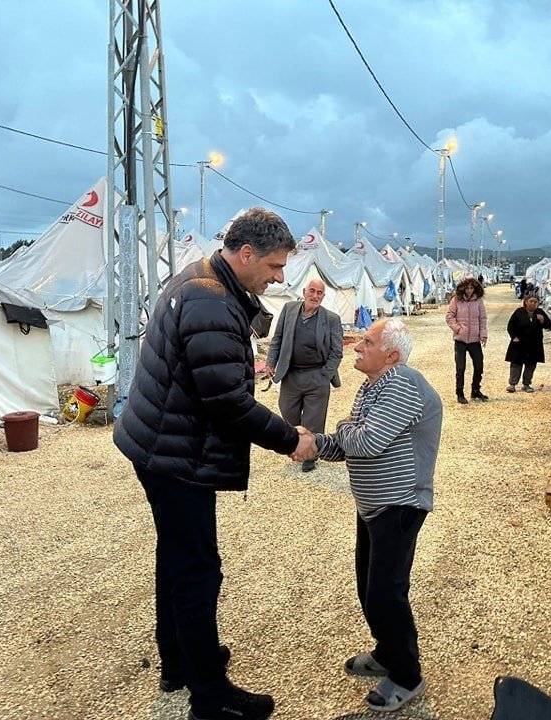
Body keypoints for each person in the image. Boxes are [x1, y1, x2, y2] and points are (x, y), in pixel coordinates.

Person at [113, 207, 315, 720]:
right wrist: (290, 438)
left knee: (177, 557)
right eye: (273, 267)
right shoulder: (211, 299)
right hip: (175, 454)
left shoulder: (203, 277)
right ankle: (208, 695)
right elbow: (226, 401)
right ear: (245, 254)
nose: (279, 277)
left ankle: (177, 662)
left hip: (160, 442)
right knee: (199, 569)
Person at [293, 318, 442, 713]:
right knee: (368, 586)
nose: (357, 345)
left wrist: (340, 430)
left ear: (391, 355)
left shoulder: (403, 383)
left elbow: (368, 440)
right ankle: (387, 652)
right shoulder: (373, 386)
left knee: (385, 592)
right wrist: (313, 444)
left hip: (400, 504)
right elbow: (348, 445)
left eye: (367, 341)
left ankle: (407, 675)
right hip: (374, 506)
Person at [265, 279, 344, 472]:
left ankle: (310, 455)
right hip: (291, 374)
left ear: (323, 297)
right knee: (287, 412)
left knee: (314, 418)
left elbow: (337, 352)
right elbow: (278, 338)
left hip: (317, 374)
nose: (315, 296)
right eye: (312, 291)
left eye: (319, 293)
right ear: (304, 291)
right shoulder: (289, 309)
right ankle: (298, 442)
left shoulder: (331, 319)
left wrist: (324, 375)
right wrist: (270, 362)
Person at [445, 277, 488, 403]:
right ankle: (460, 393)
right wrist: (457, 328)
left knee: (479, 366)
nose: (469, 290)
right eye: (467, 288)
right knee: (460, 368)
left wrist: (483, 334)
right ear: (463, 288)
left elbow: (483, 318)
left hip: (475, 339)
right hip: (460, 340)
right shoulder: (456, 300)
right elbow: (449, 316)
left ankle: (475, 389)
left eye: (471, 288)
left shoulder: (478, 301)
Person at [505, 292, 551, 393]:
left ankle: (526, 384)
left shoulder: (540, 312)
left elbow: (549, 325)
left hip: (534, 344)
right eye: (531, 301)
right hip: (520, 343)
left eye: (535, 302)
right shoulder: (519, 312)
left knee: (531, 364)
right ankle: (512, 384)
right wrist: (514, 337)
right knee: (516, 363)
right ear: (526, 302)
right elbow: (510, 326)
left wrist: (543, 320)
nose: (533, 303)